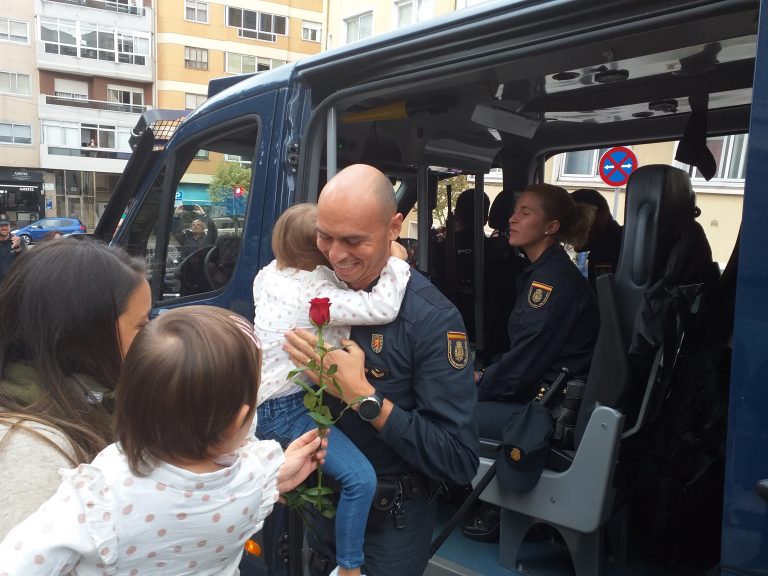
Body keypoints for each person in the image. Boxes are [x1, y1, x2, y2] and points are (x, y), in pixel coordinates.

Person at [0, 306, 327, 574]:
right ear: (241, 421)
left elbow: (17, 565)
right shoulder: (253, 475)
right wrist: (282, 468)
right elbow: (264, 479)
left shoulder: (102, 494)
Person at [284, 164, 479, 576]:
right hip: (318, 511)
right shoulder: (308, 290)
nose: (335, 255)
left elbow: (459, 461)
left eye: (354, 240)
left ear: (394, 227)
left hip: (388, 529)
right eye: (325, 236)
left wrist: (363, 398)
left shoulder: (431, 319)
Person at [253, 203, 411, 576]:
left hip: (263, 404)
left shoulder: (268, 275)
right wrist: (397, 259)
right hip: (287, 408)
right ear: (322, 252)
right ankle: (349, 568)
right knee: (361, 480)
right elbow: (382, 306)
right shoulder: (314, 294)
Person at [462, 183, 600, 542]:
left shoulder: (551, 284)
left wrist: (478, 383)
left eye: (525, 212)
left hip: (543, 410)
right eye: (515, 210)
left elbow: (524, 365)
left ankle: (484, 501)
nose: (512, 218)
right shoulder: (545, 272)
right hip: (541, 396)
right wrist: (485, 374)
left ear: (550, 227)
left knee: (449, 409)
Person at [0, 238, 150, 540]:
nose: (152, 337)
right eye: (142, 325)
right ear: (85, 333)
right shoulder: (33, 453)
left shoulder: (93, 397)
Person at [433, 188, 491, 341]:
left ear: (456, 215)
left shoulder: (439, 250)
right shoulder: (497, 250)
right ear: (485, 219)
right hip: (488, 330)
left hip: (445, 326)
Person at [570, 188, 623, 291]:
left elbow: (603, 300)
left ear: (601, 218)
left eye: (579, 221)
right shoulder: (617, 240)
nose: (571, 228)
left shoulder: (606, 253)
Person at [0, 218, 25, 282]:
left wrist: (17, 248)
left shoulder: (19, 240)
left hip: (13, 280)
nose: (4, 228)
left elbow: (24, 260)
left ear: (10, 227)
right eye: (1, 226)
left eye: (6, 225)